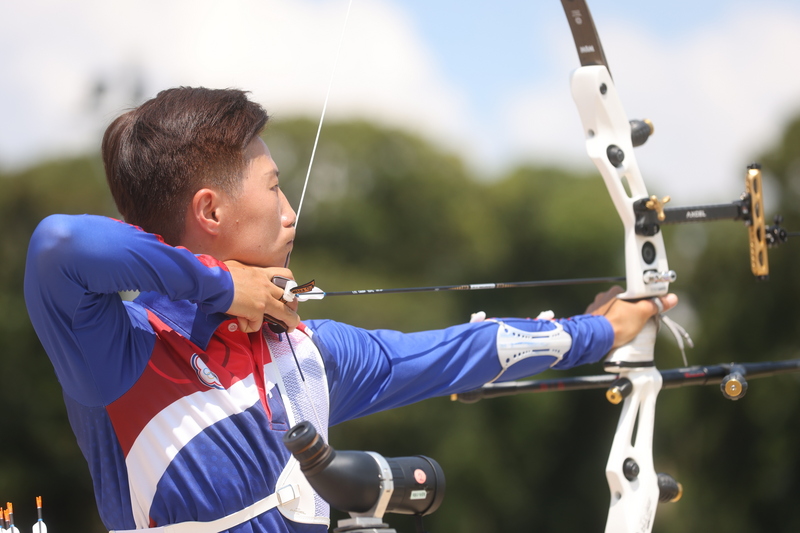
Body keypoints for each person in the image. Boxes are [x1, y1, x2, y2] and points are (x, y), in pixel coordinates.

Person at [24, 87, 676, 533]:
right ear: (210, 212)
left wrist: (601, 329)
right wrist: (222, 289)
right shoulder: (123, 352)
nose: (290, 212)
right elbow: (59, 246)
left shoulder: (308, 352)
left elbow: (462, 352)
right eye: (274, 188)